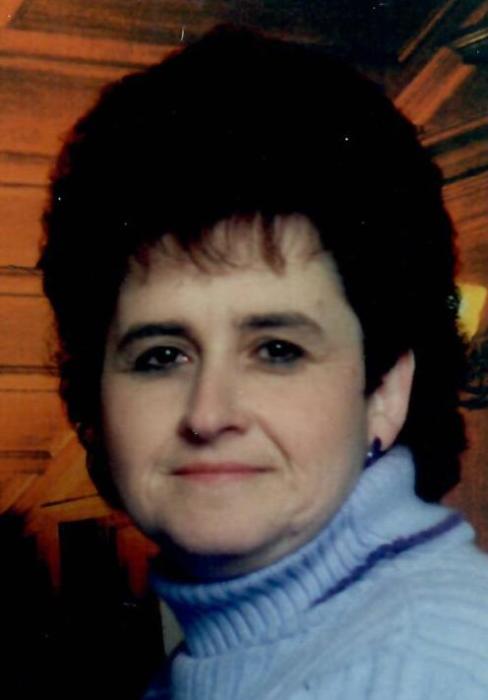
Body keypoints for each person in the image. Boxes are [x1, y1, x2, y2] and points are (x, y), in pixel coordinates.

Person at [38, 24, 488, 700]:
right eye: (160, 356)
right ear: (95, 400)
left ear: (385, 393)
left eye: (278, 350)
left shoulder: (420, 671)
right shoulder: (236, 657)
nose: (208, 414)